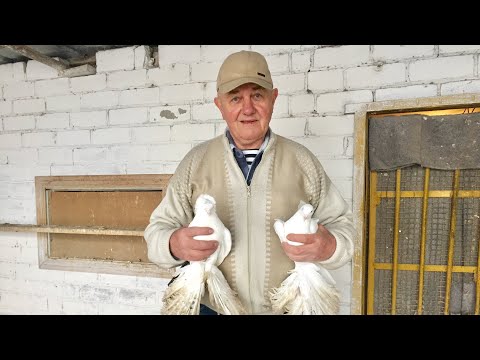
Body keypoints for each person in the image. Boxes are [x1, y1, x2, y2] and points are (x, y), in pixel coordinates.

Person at [144, 50, 354, 315]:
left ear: (273, 99)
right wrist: (174, 243)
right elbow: (155, 234)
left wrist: (329, 245)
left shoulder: (303, 161)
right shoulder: (194, 164)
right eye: (235, 98)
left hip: (287, 309)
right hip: (211, 310)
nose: (247, 109)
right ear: (219, 105)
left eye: (257, 95)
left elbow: (346, 229)